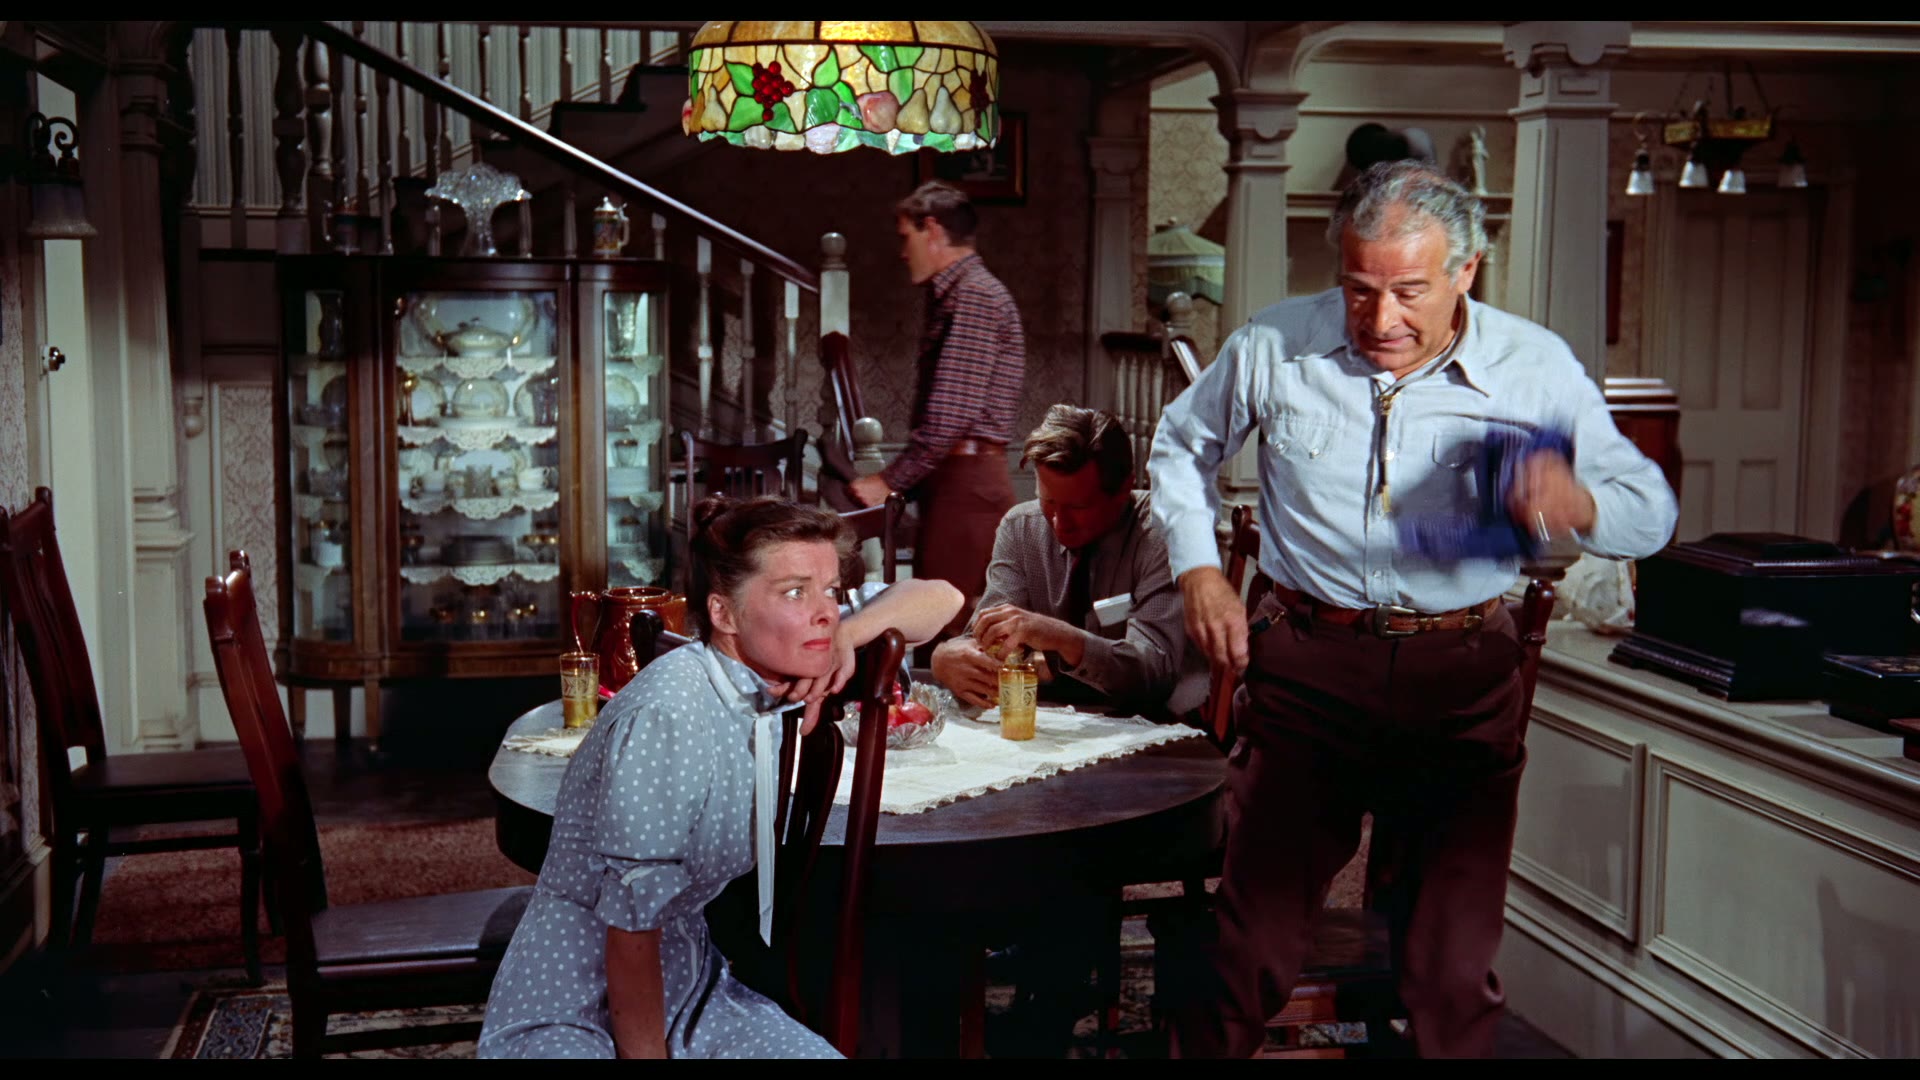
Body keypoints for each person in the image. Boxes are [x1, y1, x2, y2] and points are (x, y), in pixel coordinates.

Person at [1148, 160, 1678, 1059]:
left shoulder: (1534, 364)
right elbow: (1179, 445)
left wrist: (1581, 502)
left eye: (1409, 291)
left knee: (1450, 970)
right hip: (1309, 669)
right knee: (1247, 949)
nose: (1380, 318)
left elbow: (1651, 513)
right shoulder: (1275, 344)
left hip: (1462, 681)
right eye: (1359, 289)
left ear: (1466, 270)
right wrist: (1199, 570)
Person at [477, 496, 963, 1059]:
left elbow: (943, 598)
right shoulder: (669, 715)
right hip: (575, 1000)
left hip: (689, 989)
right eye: (794, 592)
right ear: (724, 615)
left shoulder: (763, 671)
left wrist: (848, 635)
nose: (824, 611)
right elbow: (630, 937)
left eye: (831, 590)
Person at [932, 403, 1208, 723]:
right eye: (1047, 501)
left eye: (1079, 507)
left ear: (1124, 489)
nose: (1060, 523)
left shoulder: (1165, 534)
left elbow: (1154, 677)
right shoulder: (1020, 528)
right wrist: (946, 657)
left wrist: (1062, 638)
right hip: (1063, 717)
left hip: (1166, 724)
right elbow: (986, 640)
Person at [847, 180, 1026, 641]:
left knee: (950, 632)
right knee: (946, 630)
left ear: (932, 230)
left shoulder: (974, 295)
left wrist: (890, 480)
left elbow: (951, 414)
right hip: (955, 482)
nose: (902, 252)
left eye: (905, 236)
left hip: (968, 487)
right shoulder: (957, 293)